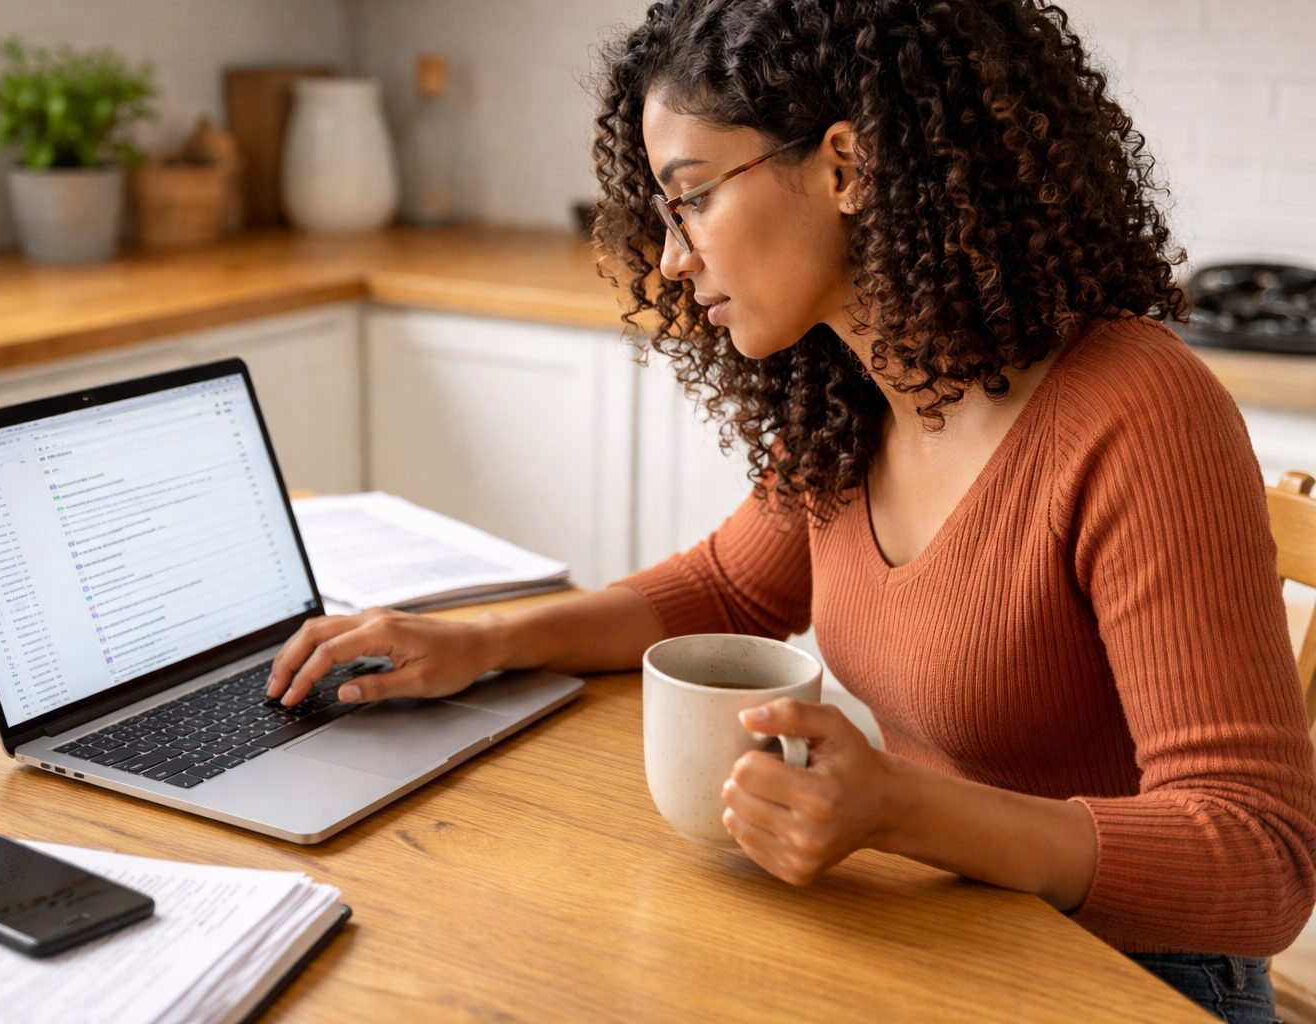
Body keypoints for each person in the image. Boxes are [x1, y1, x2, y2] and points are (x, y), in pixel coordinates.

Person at [266, 1, 1316, 1017]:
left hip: (1133, 980)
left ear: (846, 165)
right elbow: (723, 586)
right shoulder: (856, 395)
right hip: (952, 926)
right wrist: (473, 641)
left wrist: (904, 810)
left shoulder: (1140, 414)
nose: (672, 258)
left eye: (693, 197)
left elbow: (1259, 857)